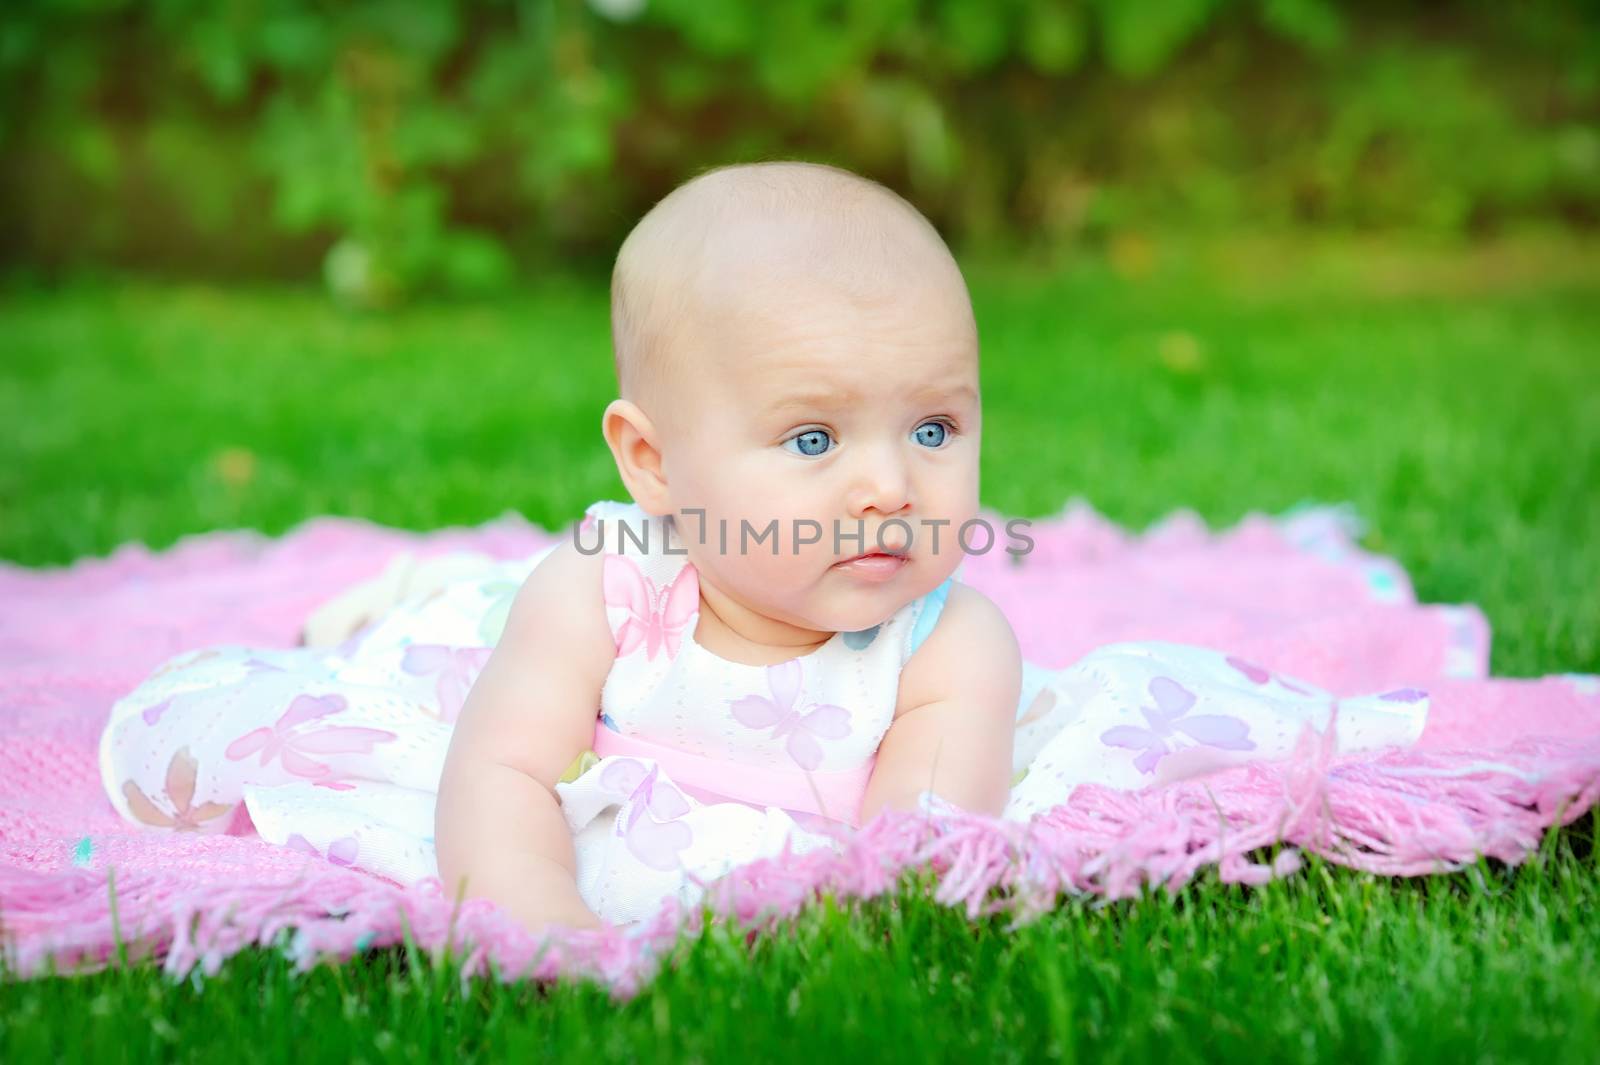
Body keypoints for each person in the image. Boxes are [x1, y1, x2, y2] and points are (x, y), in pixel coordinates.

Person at [99, 161, 1428, 940]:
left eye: (931, 424)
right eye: (809, 440)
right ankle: (393, 597)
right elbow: (501, 765)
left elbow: (917, 854)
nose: (888, 486)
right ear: (656, 463)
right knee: (414, 657)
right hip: (565, 678)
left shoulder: (949, 640)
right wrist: (533, 929)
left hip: (773, 781)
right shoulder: (599, 586)